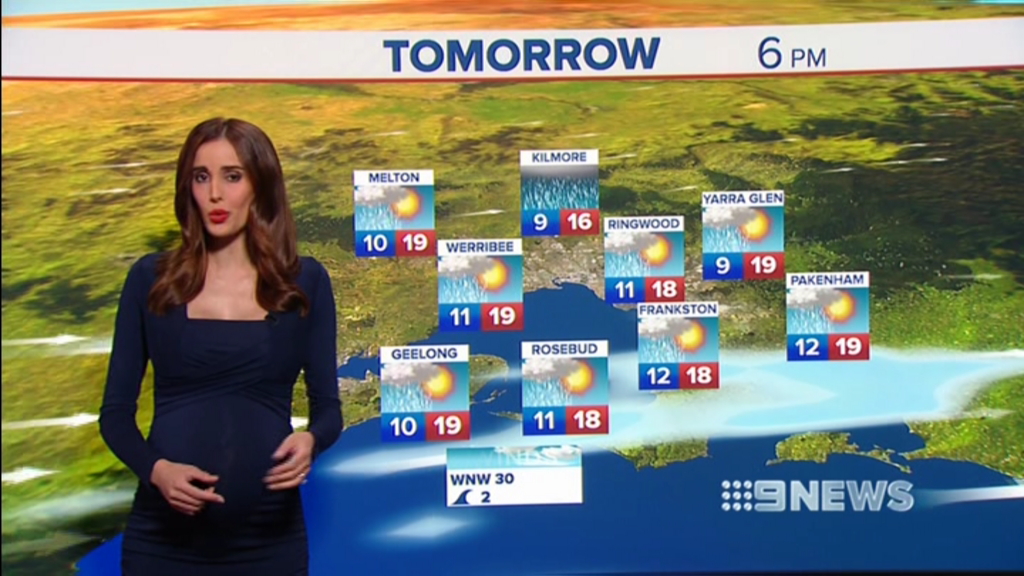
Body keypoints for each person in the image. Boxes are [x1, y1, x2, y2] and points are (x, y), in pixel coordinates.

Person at [98, 117, 343, 576]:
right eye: (200, 176)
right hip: (162, 545)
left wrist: (312, 440)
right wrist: (156, 471)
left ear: (260, 185)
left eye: (232, 176)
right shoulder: (151, 280)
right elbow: (115, 415)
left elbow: (328, 409)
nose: (214, 194)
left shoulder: (304, 283)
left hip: (269, 543)